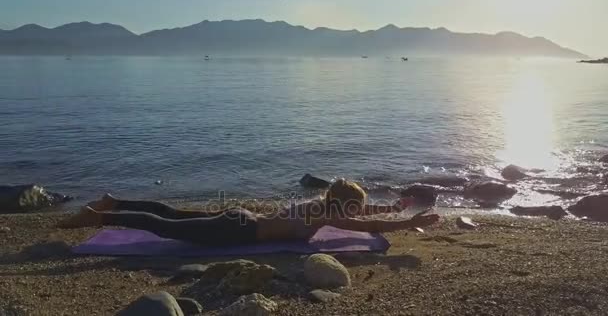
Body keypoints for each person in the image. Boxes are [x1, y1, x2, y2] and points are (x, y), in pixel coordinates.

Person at [58, 179, 439, 246]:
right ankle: (100, 216)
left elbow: (364, 211)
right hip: (239, 231)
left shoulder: (321, 206)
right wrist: (408, 221)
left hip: (239, 217)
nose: (355, 210)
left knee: (172, 212)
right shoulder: (327, 216)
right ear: (343, 204)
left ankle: (114, 201)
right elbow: (365, 221)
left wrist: (392, 208)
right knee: (165, 227)